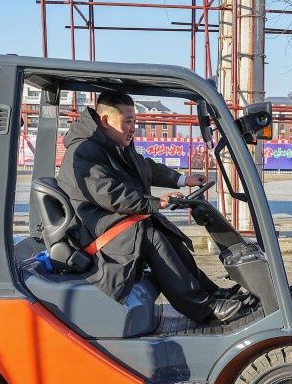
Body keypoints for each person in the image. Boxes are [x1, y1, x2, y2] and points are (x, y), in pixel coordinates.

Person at [57, 90, 247, 324]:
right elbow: (110, 194)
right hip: (94, 232)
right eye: (128, 122)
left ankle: (212, 293)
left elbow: (144, 167)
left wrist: (182, 179)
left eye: (134, 121)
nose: (133, 128)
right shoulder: (84, 151)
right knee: (149, 234)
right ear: (105, 120)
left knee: (164, 230)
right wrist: (156, 203)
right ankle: (203, 309)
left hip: (112, 223)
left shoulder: (113, 146)